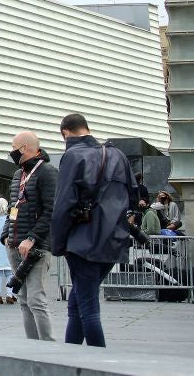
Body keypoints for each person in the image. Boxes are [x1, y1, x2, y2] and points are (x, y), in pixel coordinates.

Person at [52, 113, 137, 348]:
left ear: (65, 133)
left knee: (88, 308)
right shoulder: (117, 154)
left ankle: (100, 364)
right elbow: (135, 195)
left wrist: (57, 245)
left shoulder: (73, 156)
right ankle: (70, 361)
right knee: (76, 304)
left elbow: (63, 204)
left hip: (84, 242)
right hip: (113, 241)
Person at [2, 131, 57, 341]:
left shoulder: (47, 172)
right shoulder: (19, 175)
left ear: (24, 148)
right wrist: (6, 233)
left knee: (35, 298)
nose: (12, 151)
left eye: (13, 146)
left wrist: (32, 237)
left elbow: (50, 211)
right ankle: (33, 346)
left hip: (37, 248)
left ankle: (48, 347)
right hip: (15, 244)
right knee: (23, 298)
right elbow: (13, 206)